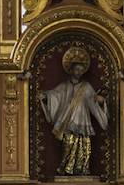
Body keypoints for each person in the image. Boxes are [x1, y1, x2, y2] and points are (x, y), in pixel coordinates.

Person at [42, 45, 110, 176]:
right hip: (68, 123)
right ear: (71, 70)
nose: (79, 72)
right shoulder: (64, 86)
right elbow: (55, 96)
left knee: (85, 150)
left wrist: (100, 101)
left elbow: (92, 101)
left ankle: (82, 170)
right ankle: (65, 170)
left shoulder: (86, 86)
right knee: (68, 148)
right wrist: (46, 96)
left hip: (83, 123)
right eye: (77, 69)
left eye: (81, 70)